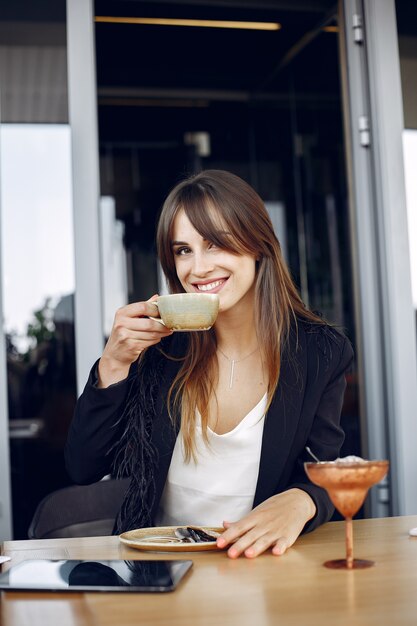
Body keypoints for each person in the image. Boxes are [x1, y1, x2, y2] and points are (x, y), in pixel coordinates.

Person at [65, 169, 353, 559]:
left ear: (258, 245)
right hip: (158, 570)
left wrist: (303, 500)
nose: (197, 269)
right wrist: (113, 364)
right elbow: (83, 466)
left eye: (215, 244)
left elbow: (327, 469)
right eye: (183, 250)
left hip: (264, 567)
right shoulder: (158, 351)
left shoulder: (321, 352)